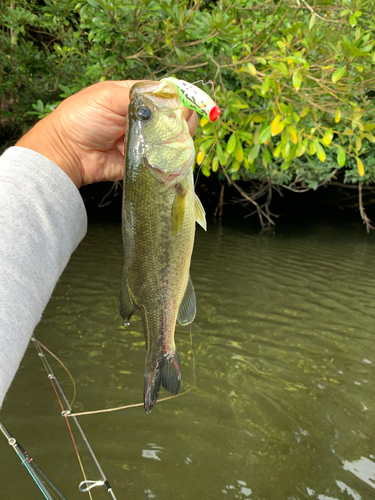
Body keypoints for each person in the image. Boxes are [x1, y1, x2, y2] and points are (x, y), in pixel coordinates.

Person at [0, 80, 198, 408]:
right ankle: (162, 351)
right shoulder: (170, 180)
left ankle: (161, 352)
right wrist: (62, 145)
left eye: (143, 114)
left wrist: (64, 146)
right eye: (145, 115)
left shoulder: (168, 178)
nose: (148, 109)